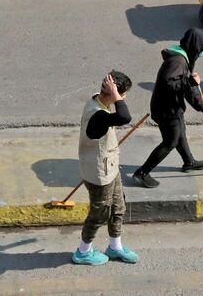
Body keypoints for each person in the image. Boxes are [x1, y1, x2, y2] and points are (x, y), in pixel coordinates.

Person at [73, 71, 139, 266]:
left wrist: (113, 93)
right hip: (98, 172)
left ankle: (115, 246)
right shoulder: (99, 115)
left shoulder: (100, 100)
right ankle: (83, 251)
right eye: (123, 94)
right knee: (99, 213)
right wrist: (117, 95)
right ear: (113, 93)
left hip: (110, 166)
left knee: (118, 207)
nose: (124, 98)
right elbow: (125, 116)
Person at [133, 28, 203, 188]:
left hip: (173, 107)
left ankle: (189, 162)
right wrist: (190, 82)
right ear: (195, 46)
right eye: (201, 50)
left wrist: (201, 106)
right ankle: (142, 173)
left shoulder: (184, 58)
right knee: (170, 141)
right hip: (166, 110)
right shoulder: (177, 62)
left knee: (180, 133)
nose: (201, 53)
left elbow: (187, 89)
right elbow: (170, 84)